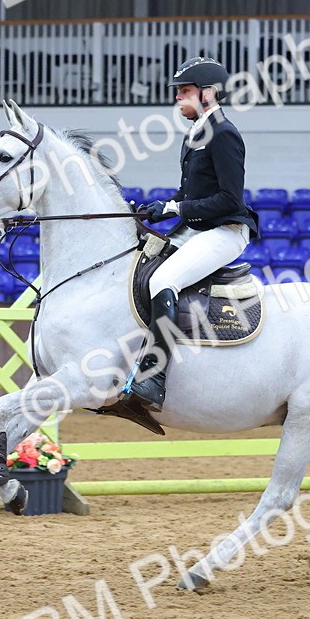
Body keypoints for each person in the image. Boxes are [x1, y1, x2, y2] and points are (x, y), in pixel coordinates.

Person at [126, 57, 259, 412]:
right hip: (197, 228)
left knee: (163, 280)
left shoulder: (225, 134)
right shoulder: (195, 134)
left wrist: (176, 209)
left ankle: (155, 377)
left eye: (184, 91)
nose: (177, 98)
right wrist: (162, 206)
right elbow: (190, 192)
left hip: (225, 230)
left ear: (208, 93)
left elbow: (230, 199)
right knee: (143, 262)